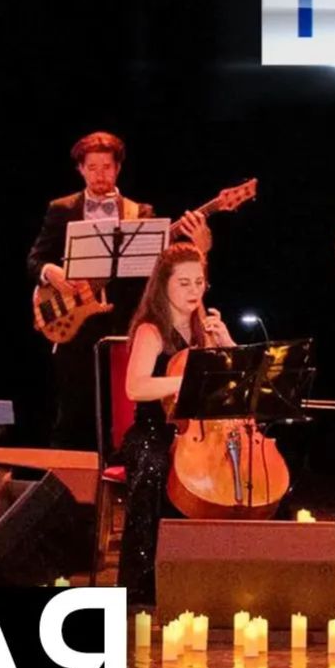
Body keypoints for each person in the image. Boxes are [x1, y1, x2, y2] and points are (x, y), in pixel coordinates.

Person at [26, 131, 207, 449]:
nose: (100, 175)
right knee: (72, 411)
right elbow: (35, 259)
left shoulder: (142, 212)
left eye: (107, 167)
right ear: (80, 169)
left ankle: (120, 471)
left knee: (123, 411)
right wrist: (50, 271)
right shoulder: (62, 208)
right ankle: (63, 477)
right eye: (92, 167)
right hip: (77, 326)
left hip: (125, 324)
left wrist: (198, 247)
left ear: (118, 168)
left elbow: (159, 271)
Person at [115, 241, 233, 603]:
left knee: (239, 467)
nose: (194, 291)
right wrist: (185, 382)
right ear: (163, 284)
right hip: (152, 431)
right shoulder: (151, 330)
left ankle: (220, 570)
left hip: (199, 432)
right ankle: (142, 582)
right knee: (155, 466)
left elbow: (231, 385)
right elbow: (135, 387)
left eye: (199, 282)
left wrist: (226, 343)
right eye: (184, 283)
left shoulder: (204, 328)